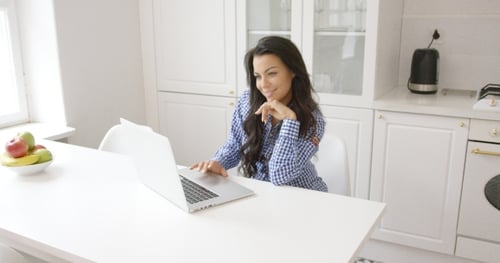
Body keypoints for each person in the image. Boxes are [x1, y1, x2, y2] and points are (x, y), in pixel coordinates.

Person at [191, 36, 327, 192]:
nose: (263, 84)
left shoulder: (313, 120)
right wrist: (217, 162)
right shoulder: (247, 101)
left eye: (272, 73)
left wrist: (290, 121)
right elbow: (235, 143)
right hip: (261, 193)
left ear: (293, 71)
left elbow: (280, 176)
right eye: (258, 76)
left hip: (303, 196)